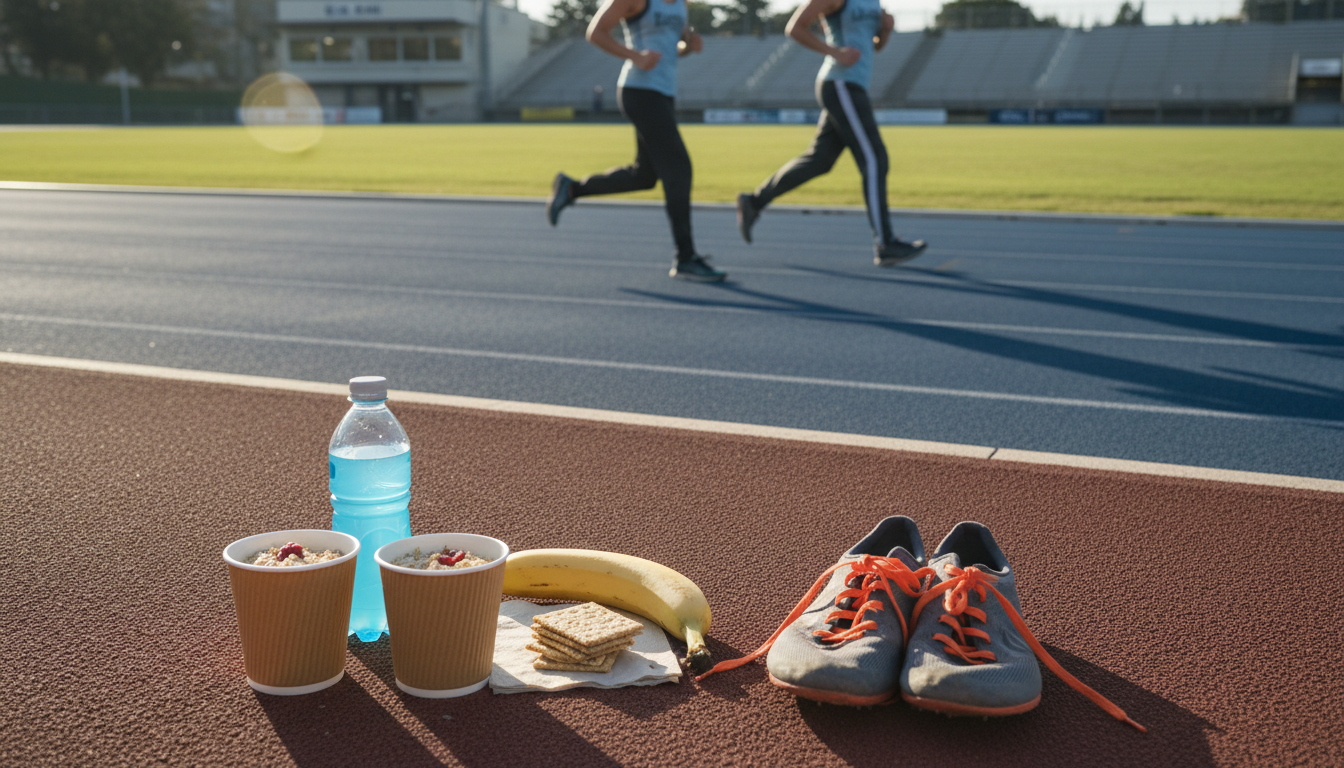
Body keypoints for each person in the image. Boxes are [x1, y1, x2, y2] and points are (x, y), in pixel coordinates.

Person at [734, 0, 927, 267]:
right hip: (839, 83)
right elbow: (795, 27)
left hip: (852, 84)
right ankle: (886, 243)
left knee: (820, 159)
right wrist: (834, 52)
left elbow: (874, 46)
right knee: (874, 159)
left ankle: (754, 201)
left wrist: (886, 30)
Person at [545, 0, 725, 282]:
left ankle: (571, 190)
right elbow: (596, 32)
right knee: (679, 168)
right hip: (639, 91)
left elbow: (675, 46)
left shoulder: (681, 4)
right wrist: (635, 56)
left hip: (664, 93)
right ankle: (686, 256)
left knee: (645, 175)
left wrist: (689, 46)